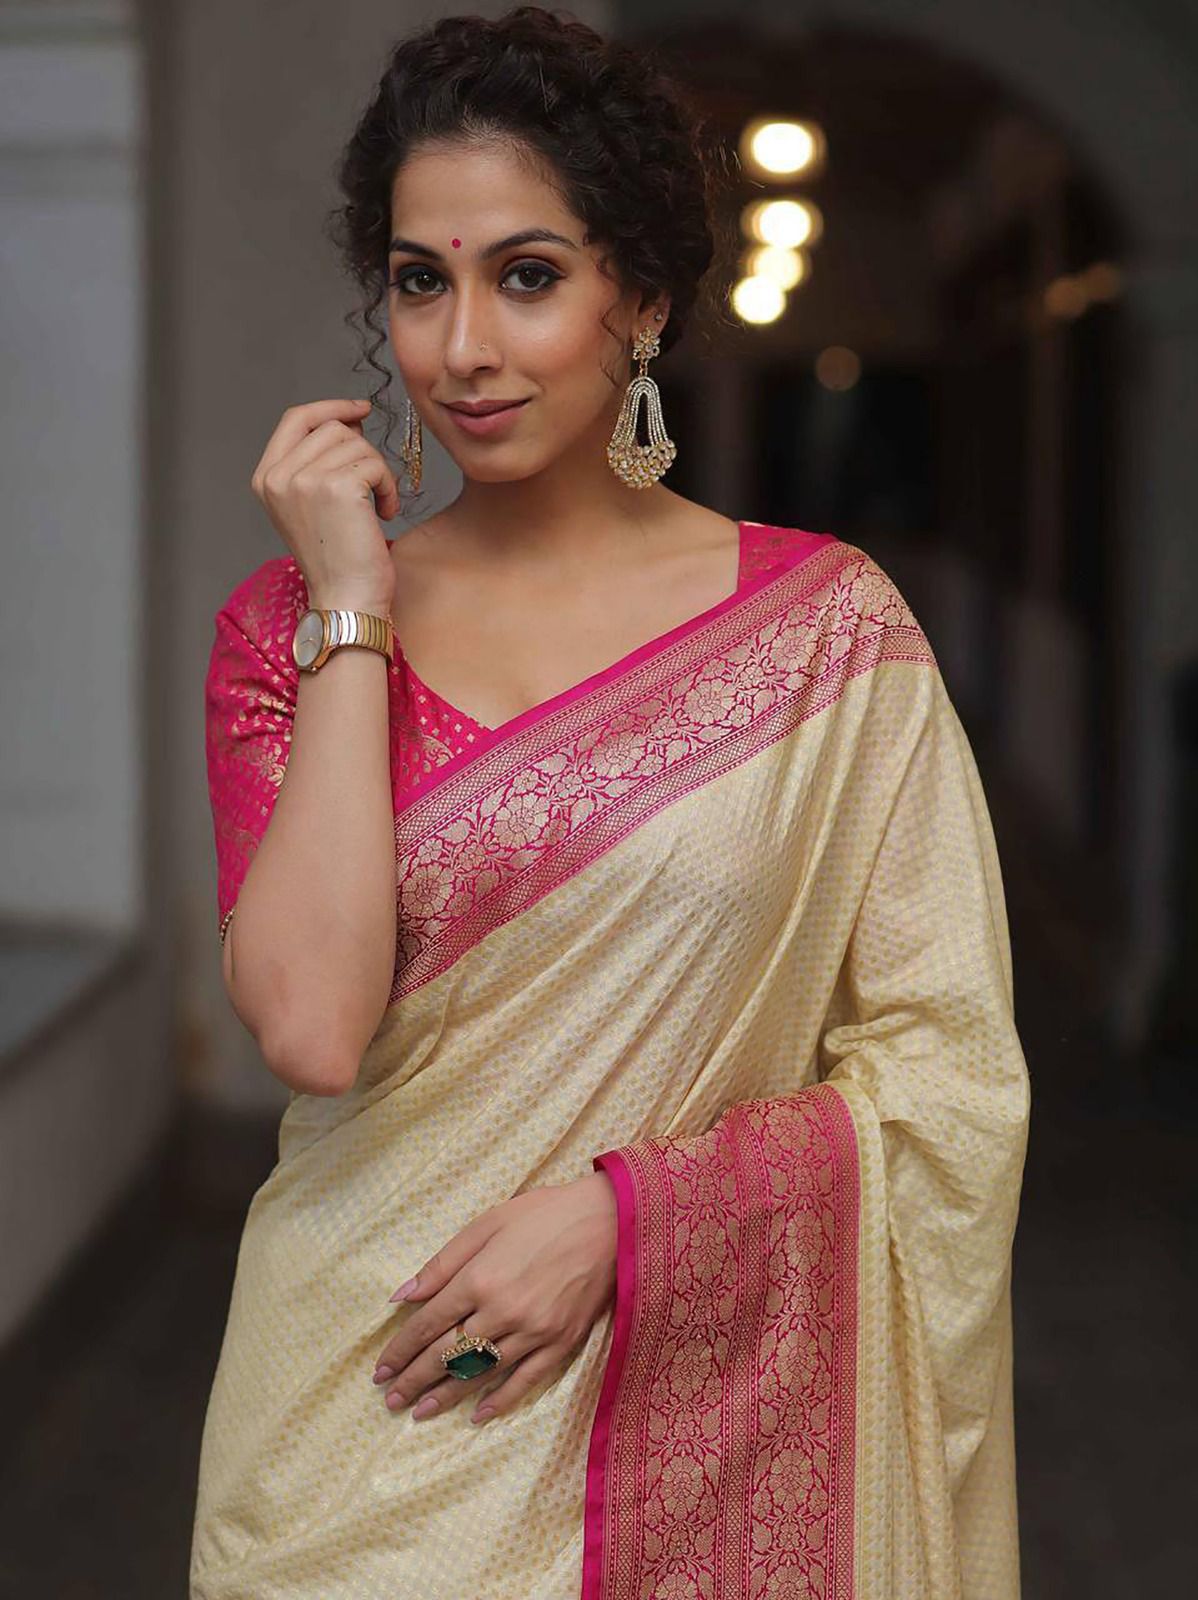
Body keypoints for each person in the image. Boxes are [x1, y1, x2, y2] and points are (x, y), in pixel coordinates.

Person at [190, 7, 1031, 1597]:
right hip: (361, 1412)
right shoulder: (286, 630)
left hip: (697, 1435)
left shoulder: (824, 635)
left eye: (526, 276)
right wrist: (352, 611)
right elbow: (308, 1028)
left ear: (638, 299)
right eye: (419, 282)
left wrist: (629, 1219)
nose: (461, 348)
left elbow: (948, 1069)